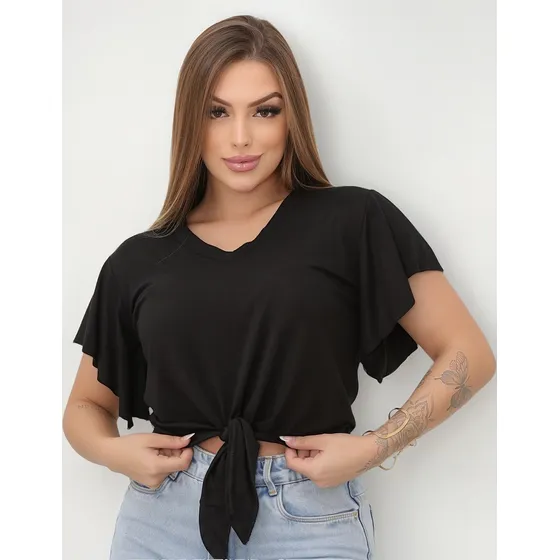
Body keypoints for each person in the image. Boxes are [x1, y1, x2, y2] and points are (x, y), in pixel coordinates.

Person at [63, 14, 496, 560]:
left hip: (309, 517)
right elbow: (84, 405)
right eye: (217, 112)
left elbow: (469, 353)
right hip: (161, 518)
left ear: (292, 117)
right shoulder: (138, 259)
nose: (240, 136)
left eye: (265, 111)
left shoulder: (354, 220)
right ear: (190, 121)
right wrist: (114, 453)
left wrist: (373, 448)